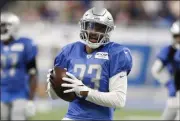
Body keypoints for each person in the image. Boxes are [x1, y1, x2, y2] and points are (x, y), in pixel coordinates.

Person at [46, 7, 133, 120]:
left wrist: (83, 91)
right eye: (90, 26)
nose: (93, 32)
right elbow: (53, 96)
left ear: (108, 30)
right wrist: (53, 83)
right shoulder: (69, 51)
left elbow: (119, 100)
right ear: (83, 26)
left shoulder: (116, 53)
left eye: (100, 28)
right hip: (72, 117)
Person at [0, 12, 38, 120]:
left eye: (3, 25)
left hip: (20, 94)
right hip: (2, 93)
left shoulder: (25, 44)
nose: (1, 29)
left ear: (13, 26)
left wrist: (31, 100)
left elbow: (33, 73)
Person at [151, 20, 180, 120]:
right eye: (177, 36)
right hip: (175, 95)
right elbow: (155, 70)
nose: (179, 39)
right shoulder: (169, 50)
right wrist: (168, 83)